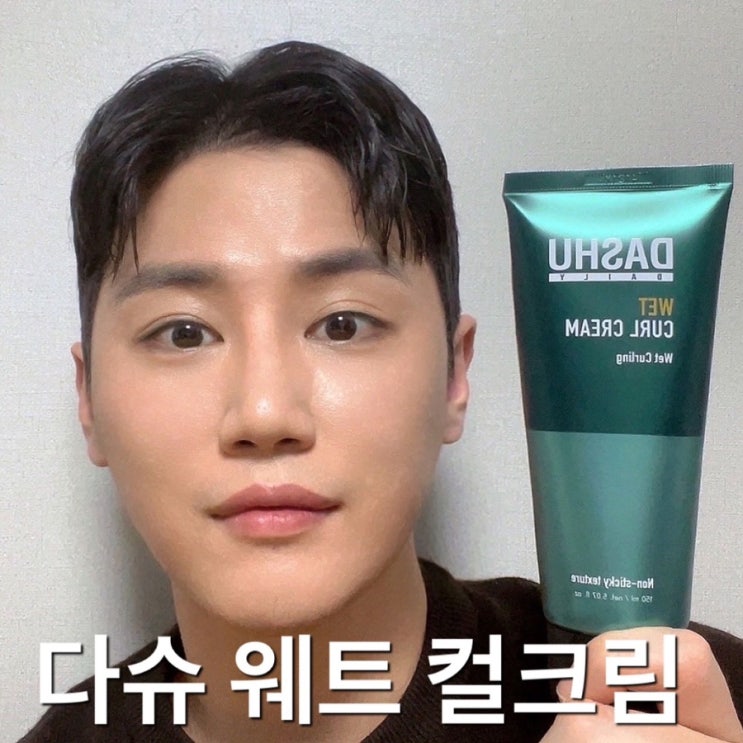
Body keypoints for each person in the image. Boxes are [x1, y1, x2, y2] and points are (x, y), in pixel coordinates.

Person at [20, 40, 743, 743]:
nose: (265, 414)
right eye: (183, 333)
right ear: (90, 402)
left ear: (455, 375)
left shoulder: (690, 699)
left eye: (342, 324)